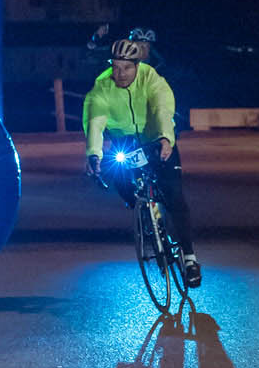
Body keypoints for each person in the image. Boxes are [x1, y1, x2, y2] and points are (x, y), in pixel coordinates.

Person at [82, 30, 200, 287]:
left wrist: (166, 138)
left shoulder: (152, 79)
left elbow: (162, 108)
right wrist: (93, 154)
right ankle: (143, 212)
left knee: (175, 196)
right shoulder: (102, 87)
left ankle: (190, 258)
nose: (121, 73)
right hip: (125, 141)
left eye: (127, 68)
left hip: (156, 137)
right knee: (119, 178)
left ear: (137, 65)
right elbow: (95, 124)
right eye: (116, 67)